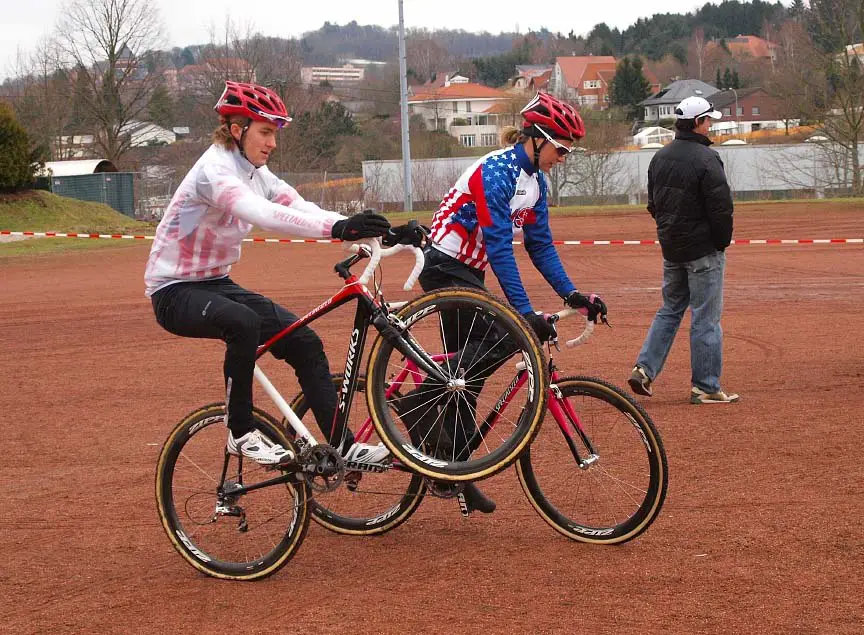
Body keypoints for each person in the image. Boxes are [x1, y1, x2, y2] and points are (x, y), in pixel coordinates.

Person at [145, 81, 396, 465]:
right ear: (236, 129)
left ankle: (340, 444)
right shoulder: (214, 171)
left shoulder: (255, 172)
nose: (272, 143)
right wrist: (338, 229)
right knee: (242, 323)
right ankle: (240, 432)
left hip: (215, 284)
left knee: (305, 342)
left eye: (274, 134)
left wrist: (369, 228)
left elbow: (299, 205)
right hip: (174, 291)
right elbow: (263, 214)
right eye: (265, 132)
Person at [402, 91, 608, 513]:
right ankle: (423, 403)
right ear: (536, 138)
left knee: (469, 377)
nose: (564, 157)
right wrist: (526, 314)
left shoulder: (535, 183)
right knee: (506, 335)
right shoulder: (496, 172)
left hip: (468, 269)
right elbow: (500, 248)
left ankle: (453, 470)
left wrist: (572, 294)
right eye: (561, 148)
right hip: (444, 263)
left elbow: (540, 245)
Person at [627, 95, 739, 404]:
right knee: (706, 318)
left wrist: (670, 234)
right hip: (703, 251)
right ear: (700, 122)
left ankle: (644, 369)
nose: (711, 125)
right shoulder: (707, 159)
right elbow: (721, 209)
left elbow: (654, 205)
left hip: (672, 250)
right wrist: (721, 242)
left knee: (670, 310)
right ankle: (705, 385)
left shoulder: (660, 157)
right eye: (709, 120)